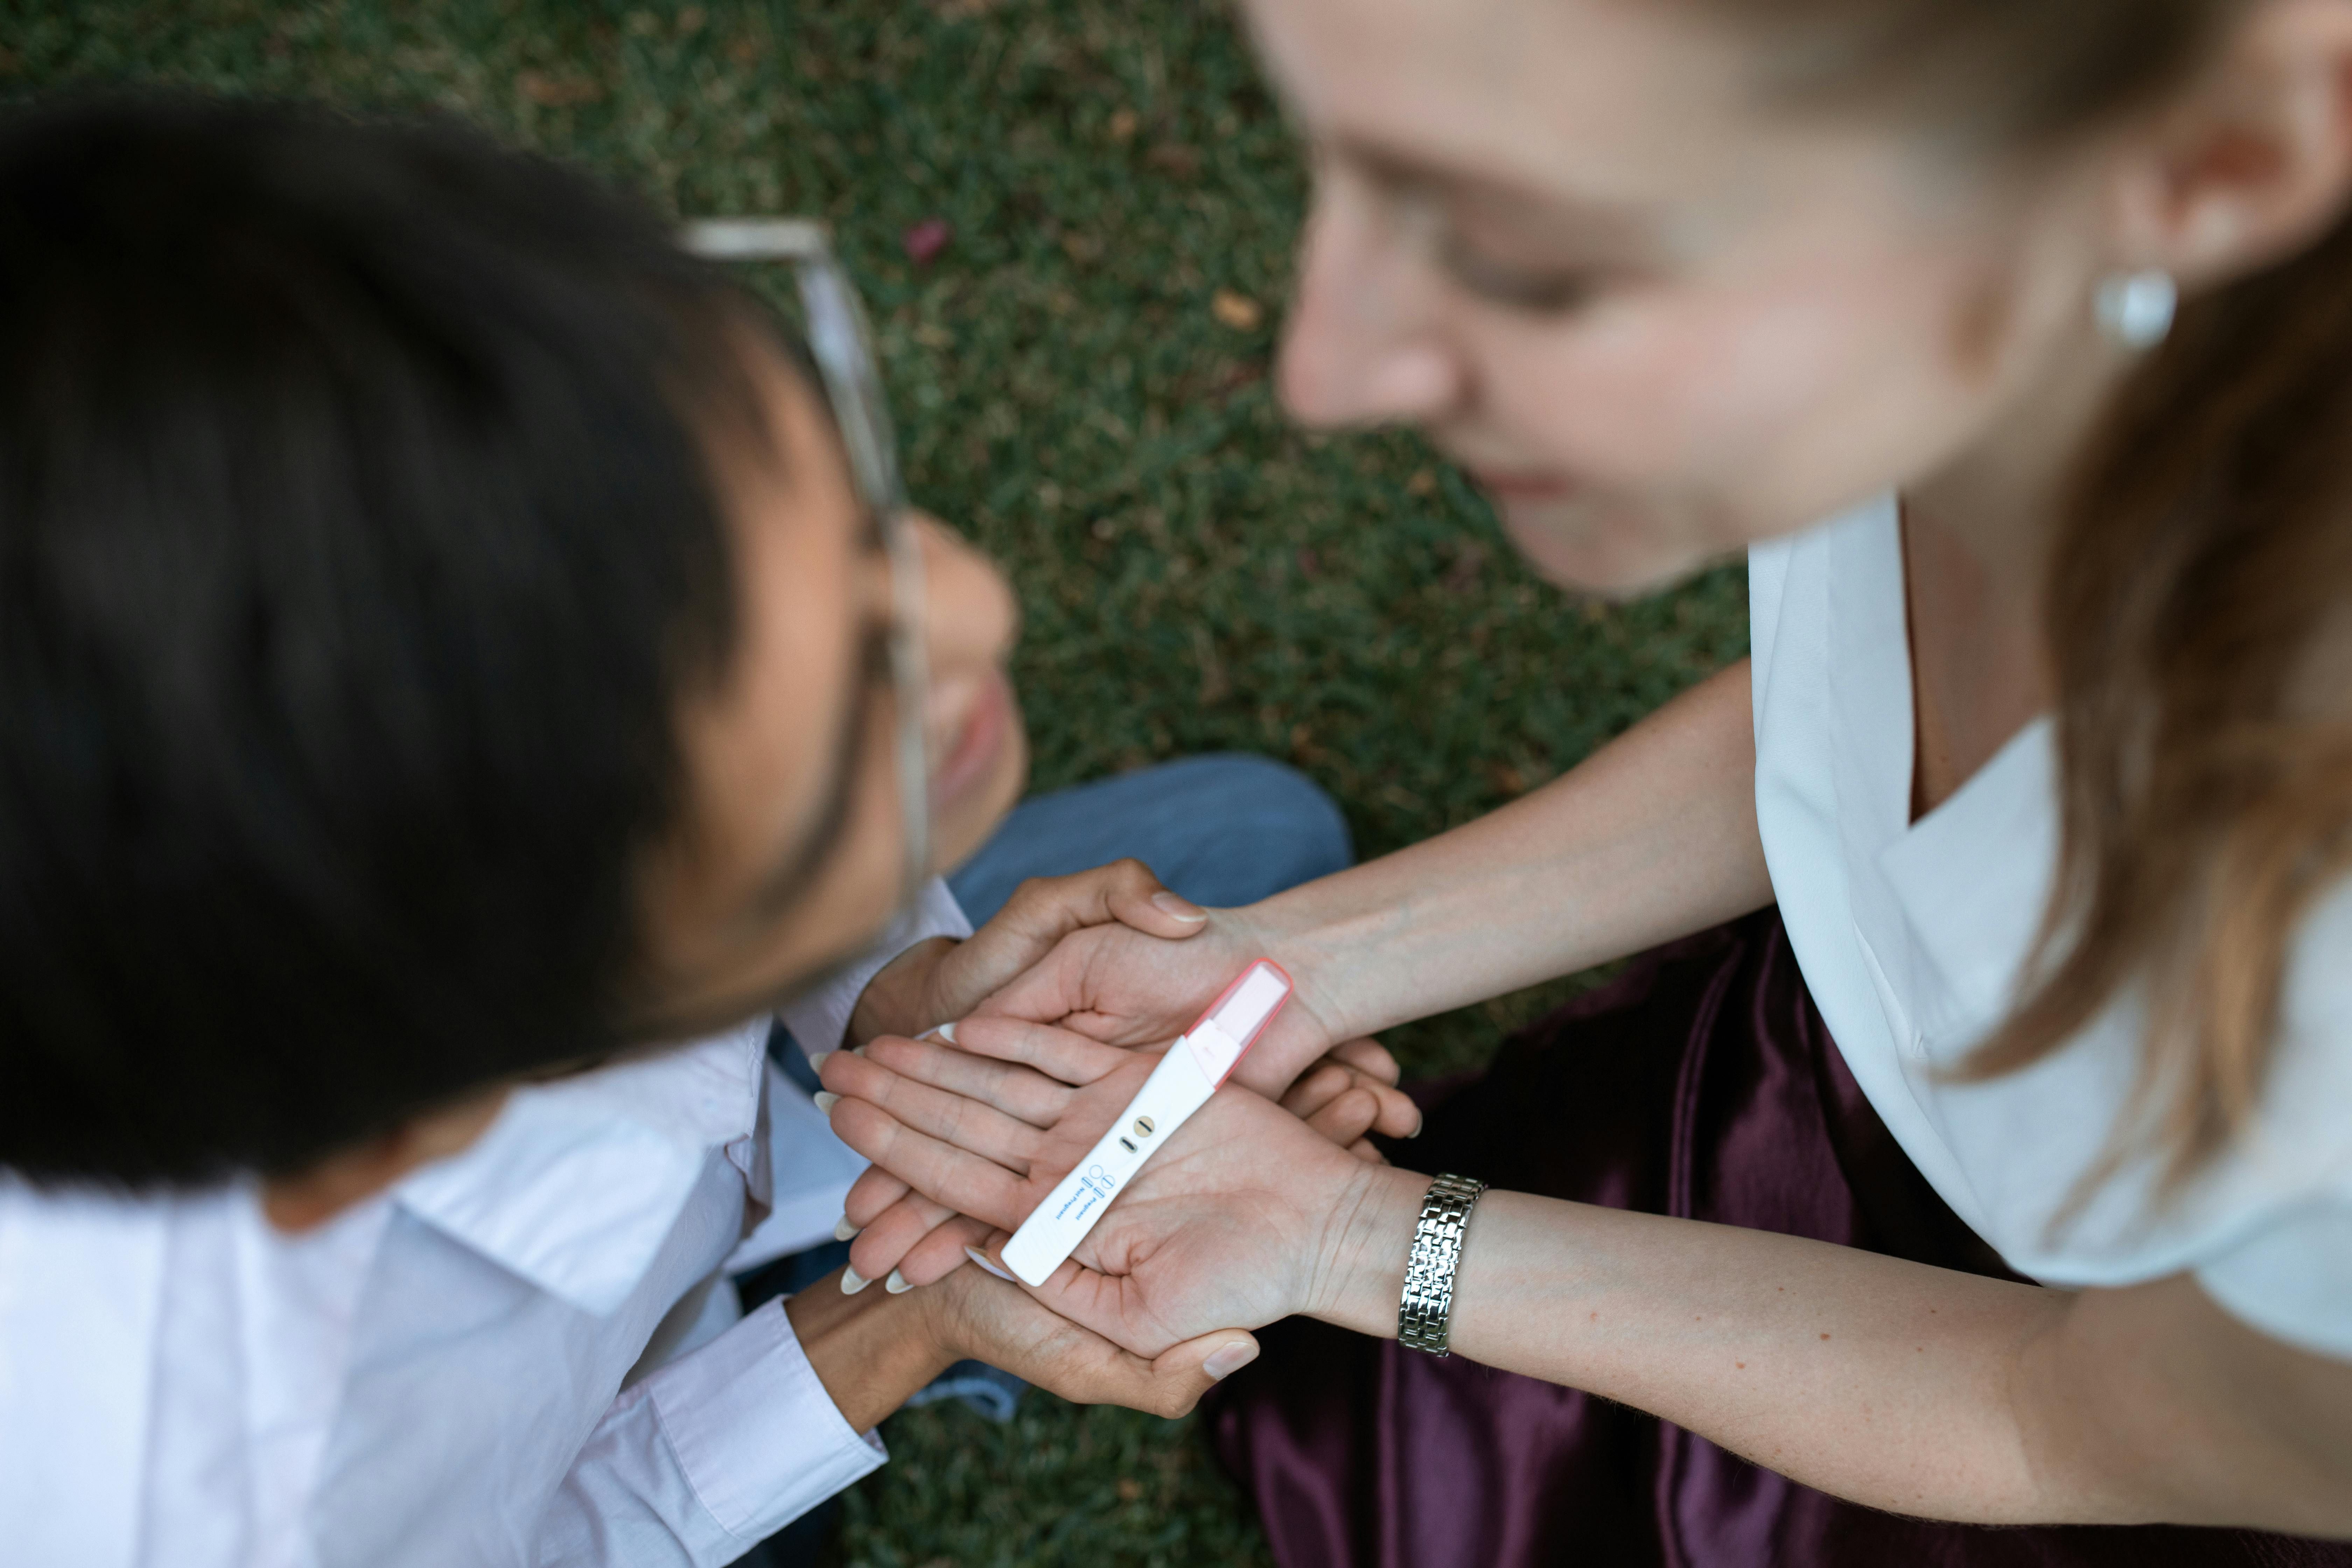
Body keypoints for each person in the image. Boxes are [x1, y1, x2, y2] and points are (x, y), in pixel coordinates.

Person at [814, 0, 2352, 1561]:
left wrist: (1359, 1240)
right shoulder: (2014, 298)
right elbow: (1839, 719)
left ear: (2217, 163)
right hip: (1834, 1099)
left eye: (1524, 252)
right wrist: (1287, 976)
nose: (1324, 370)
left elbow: (2048, 1417)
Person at [0, 94, 1416, 1568]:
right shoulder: (223, 1506)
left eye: (853, 530)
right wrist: (911, 1316)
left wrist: (907, 994)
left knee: (1257, 837)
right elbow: (589, 1530)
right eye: (826, 746)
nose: (976, 604)